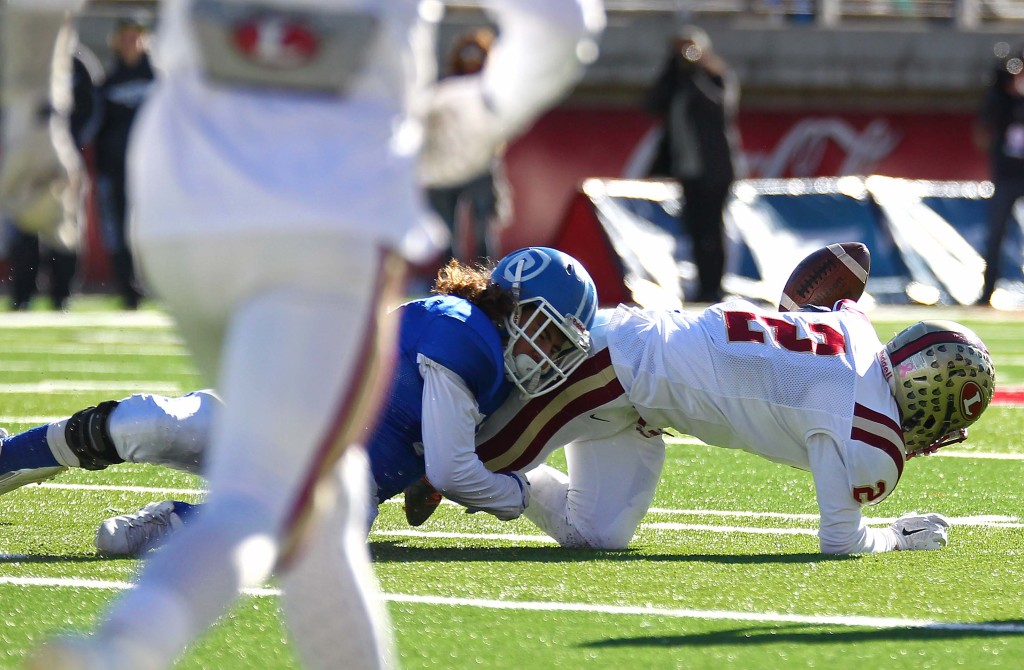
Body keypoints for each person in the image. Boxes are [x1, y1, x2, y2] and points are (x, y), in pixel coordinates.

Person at [1, 2, 606, 668]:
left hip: (177, 205)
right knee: (272, 494)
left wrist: (33, 115)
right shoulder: (466, 339)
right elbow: (565, 25)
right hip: (325, 213)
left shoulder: (464, 333)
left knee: (327, 501)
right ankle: (125, 651)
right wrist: (477, 117)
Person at [6, 296, 994, 559]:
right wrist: (489, 480)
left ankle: (184, 507)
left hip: (643, 379)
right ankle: (173, 510)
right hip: (617, 364)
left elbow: (807, 312)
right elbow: (833, 540)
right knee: (384, 482)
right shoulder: (866, 428)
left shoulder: (848, 332)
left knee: (597, 536)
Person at [0, 246, 598, 553]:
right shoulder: (465, 332)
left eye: (559, 345)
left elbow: (437, 455)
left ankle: (177, 522)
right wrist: (516, 495)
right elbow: (451, 465)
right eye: (546, 332)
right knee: (139, 424)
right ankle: (9, 457)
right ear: (513, 304)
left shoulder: (484, 365)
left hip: (331, 475)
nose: (547, 355)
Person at [645, 25, 742, 304]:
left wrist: (696, 74)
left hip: (715, 169)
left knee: (712, 229)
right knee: (696, 230)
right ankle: (703, 287)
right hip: (688, 169)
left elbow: (717, 107)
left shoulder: (716, 76)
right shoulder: (676, 81)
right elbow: (651, 103)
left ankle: (715, 287)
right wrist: (672, 69)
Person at [7, 43, 103, 311]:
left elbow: (92, 108)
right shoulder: (22, 62)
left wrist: (73, 145)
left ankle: (62, 295)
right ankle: (23, 294)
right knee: (25, 227)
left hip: (64, 157)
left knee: (65, 227)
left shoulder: (79, 64)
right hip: (27, 158)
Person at [425, 27, 511, 265]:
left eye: (477, 57)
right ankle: (449, 280)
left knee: (483, 226)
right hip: (446, 161)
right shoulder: (446, 86)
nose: (471, 62)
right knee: (446, 230)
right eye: (467, 57)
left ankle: (486, 280)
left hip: (481, 162)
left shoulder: (493, 90)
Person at [93, 15, 155, 310]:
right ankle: (128, 291)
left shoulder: (160, 80)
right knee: (119, 230)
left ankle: (156, 287)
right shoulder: (107, 83)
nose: (131, 42)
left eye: (136, 36)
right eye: (125, 36)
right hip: (116, 171)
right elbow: (96, 129)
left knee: (150, 229)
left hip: (154, 172)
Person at [973, 44, 1024, 306]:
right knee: (996, 236)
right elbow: (983, 134)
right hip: (1007, 176)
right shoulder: (1002, 100)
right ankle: (987, 291)